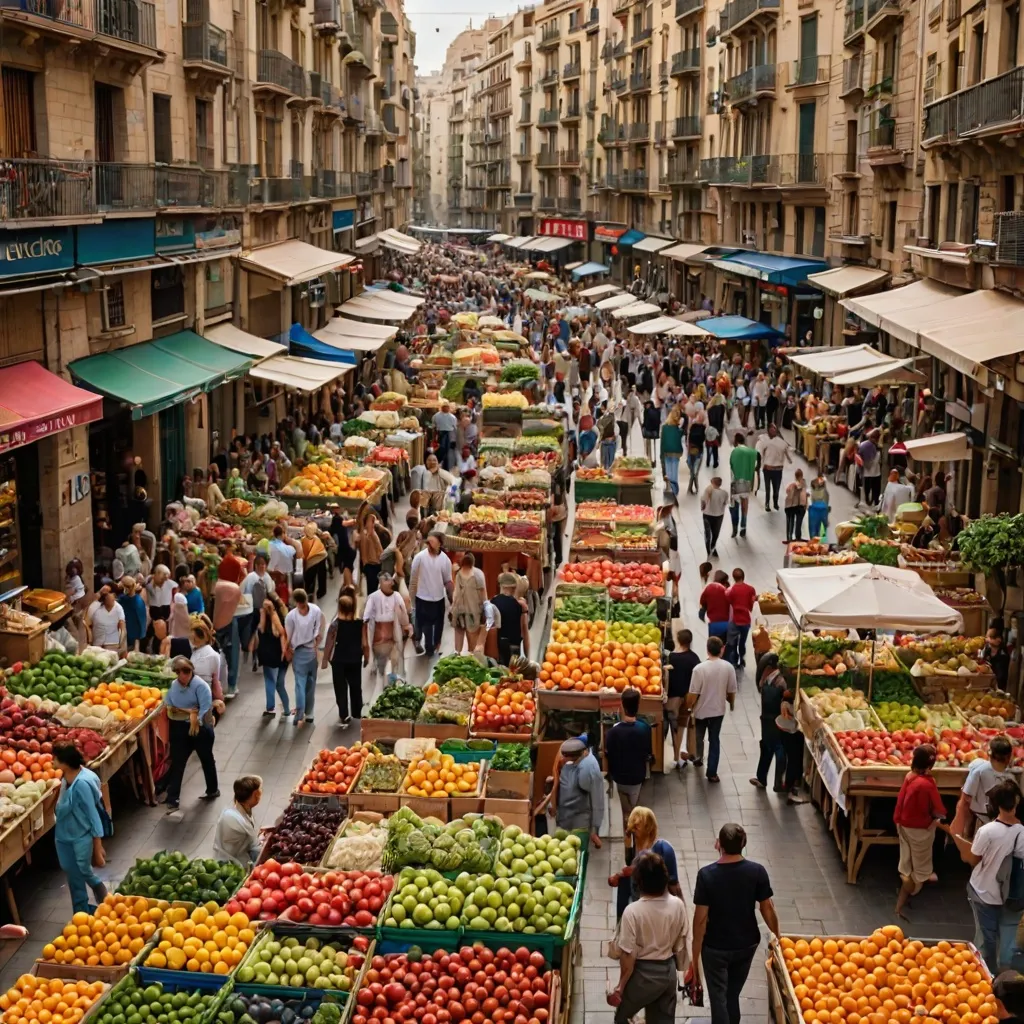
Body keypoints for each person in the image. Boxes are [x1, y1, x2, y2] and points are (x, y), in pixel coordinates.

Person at [693, 823, 780, 1024]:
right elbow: (767, 909)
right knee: (732, 995)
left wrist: (695, 955)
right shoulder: (757, 871)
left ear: (719, 844)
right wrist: (779, 938)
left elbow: (700, 921)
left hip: (715, 947)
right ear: (744, 843)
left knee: (718, 998)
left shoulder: (706, 875)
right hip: (746, 944)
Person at [608, 852, 690, 1024]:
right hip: (668, 973)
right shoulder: (678, 905)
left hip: (642, 977)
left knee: (622, 1018)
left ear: (639, 882)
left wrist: (620, 987)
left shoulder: (633, 911)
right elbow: (678, 944)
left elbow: (628, 957)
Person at [951, 780, 1024, 974]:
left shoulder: (987, 831)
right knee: (1008, 940)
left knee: (985, 940)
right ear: (1016, 803)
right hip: (1015, 896)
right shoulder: (1022, 833)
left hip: (984, 892)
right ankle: (1007, 978)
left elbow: (974, 859)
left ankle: (986, 978)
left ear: (995, 805)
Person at [52, 744, 108, 913]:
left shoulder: (82, 784)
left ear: (65, 764)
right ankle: (83, 907)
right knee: (71, 870)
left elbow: (93, 816)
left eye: (55, 759)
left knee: (82, 870)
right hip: (63, 836)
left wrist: (97, 847)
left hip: (80, 836)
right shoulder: (65, 779)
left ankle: (91, 898)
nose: (52, 761)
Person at [893, 743, 945, 920]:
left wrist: (898, 820)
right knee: (922, 867)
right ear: (930, 766)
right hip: (920, 828)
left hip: (903, 824)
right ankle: (910, 890)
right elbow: (938, 809)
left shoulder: (909, 776)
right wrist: (941, 819)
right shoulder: (928, 784)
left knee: (906, 857)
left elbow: (901, 800)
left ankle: (904, 883)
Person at [162, 656, 219, 810]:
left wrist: (193, 718)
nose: (182, 675)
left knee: (206, 758)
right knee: (178, 762)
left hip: (201, 728)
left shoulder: (200, 686)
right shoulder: (173, 686)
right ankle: (173, 799)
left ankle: (213, 789)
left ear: (192, 670)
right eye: (178, 672)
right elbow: (169, 704)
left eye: (186, 671)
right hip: (180, 727)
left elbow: (205, 708)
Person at [685, 636, 736, 783]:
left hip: (701, 711)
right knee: (714, 740)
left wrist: (689, 707)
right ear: (722, 649)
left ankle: (698, 758)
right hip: (718, 711)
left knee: (699, 736)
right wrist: (731, 704)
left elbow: (693, 694)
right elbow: (731, 691)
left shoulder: (699, 669)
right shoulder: (728, 667)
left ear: (707, 650)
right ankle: (712, 772)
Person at [605, 688, 653, 843]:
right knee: (636, 810)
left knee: (626, 812)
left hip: (620, 777)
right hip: (637, 777)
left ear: (622, 704)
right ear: (639, 704)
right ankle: (638, 841)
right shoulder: (644, 728)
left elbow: (609, 754)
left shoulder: (614, 731)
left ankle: (628, 844)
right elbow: (648, 753)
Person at [952, 735, 1015, 837]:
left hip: (983, 822)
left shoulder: (979, 770)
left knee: (976, 850)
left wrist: (958, 825)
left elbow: (965, 799)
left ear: (989, 754)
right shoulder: (1011, 778)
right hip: (989, 822)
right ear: (1009, 757)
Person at [322, 593, 365, 726]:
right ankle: (357, 711)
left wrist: (325, 660)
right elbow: (364, 642)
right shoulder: (359, 623)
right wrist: (366, 655)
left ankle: (344, 713)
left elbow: (329, 642)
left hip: (339, 660)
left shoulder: (335, 624)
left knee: (340, 687)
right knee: (356, 686)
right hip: (355, 659)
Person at [553, 737, 604, 848]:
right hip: (572, 823)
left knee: (574, 854)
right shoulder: (576, 767)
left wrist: (594, 829)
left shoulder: (578, 770)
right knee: (578, 855)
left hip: (572, 823)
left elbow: (594, 798)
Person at [285, 588, 325, 727]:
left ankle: (299, 713)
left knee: (299, 684)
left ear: (296, 601)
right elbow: (319, 631)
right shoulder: (315, 610)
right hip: (312, 651)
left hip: (299, 652)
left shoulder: (291, 616)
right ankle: (310, 713)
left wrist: (287, 651)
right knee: (311, 683)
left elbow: (288, 637)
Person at [409, 533, 453, 657]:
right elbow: (413, 580)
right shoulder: (419, 558)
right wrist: (411, 600)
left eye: (432, 542)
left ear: (440, 544)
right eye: (428, 542)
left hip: (439, 598)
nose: (429, 544)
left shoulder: (445, 560)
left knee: (439, 625)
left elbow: (447, 581)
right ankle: (428, 647)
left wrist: (452, 600)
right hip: (423, 598)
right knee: (426, 625)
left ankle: (435, 644)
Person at [362, 572, 411, 681]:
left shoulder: (397, 596)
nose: (390, 583)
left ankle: (394, 678)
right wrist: (365, 641)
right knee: (381, 665)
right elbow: (366, 618)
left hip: (393, 633)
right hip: (378, 636)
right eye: (386, 580)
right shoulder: (373, 597)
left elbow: (404, 612)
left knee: (395, 659)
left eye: (390, 580)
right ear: (380, 582)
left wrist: (406, 625)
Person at [750, 654, 787, 790]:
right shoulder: (768, 679)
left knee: (778, 748)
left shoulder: (781, 681)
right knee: (765, 747)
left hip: (776, 720)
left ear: (770, 668)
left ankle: (779, 783)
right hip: (766, 719)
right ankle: (761, 778)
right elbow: (760, 686)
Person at [212, 775, 262, 868]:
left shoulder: (237, 811)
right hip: (235, 864)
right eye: (259, 792)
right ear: (255, 795)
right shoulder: (238, 821)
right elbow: (256, 848)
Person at [253, 596, 290, 718]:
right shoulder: (282, 620)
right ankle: (286, 709)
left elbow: (259, 630)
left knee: (269, 680)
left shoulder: (262, 624)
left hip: (266, 656)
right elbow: (283, 634)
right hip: (280, 656)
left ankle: (270, 707)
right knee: (280, 684)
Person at [667, 629, 699, 770]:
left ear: (678, 640)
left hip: (673, 698)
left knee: (673, 727)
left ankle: (675, 756)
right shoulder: (694, 658)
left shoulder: (672, 657)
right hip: (687, 698)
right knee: (682, 725)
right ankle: (689, 753)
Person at [451, 552, 487, 654]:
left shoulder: (459, 574)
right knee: (473, 639)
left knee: (461, 637)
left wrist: (453, 607)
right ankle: (472, 656)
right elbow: (483, 594)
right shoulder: (478, 574)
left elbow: (456, 593)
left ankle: (457, 654)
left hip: (460, 610)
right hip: (474, 610)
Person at [212, 577, 241, 698]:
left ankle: (217, 686)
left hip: (213, 625)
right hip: (229, 622)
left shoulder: (215, 586)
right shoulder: (233, 588)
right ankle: (231, 686)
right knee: (232, 654)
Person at [492, 571, 530, 665]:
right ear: (514, 587)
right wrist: (528, 658)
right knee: (512, 676)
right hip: (513, 647)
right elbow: (525, 632)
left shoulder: (493, 602)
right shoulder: (520, 606)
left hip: (497, 646)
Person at [725, 567, 756, 668]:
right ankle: (742, 658)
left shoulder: (730, 591)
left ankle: (734, 660)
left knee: (733, 642)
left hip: (735, 620)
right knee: (742, 641)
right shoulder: (750, 589)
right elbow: (751, 601)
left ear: (733, 578)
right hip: (745, 620)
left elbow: (729, 602)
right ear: (743, 577)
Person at [756, 424, 791, 513]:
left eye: (775, 430)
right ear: (768, 431)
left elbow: (788, 455)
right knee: (767, 488)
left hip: (778, 470)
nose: (773, 432)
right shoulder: (763, 440)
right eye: (772, 430)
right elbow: (759, 452)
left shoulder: (781, 442)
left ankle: (775, 502)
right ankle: (767, 504)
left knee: (777, 488)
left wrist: (789, 459)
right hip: (767, 469)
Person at [729, 433, 757, 538]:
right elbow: (758, 460)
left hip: (736, 482)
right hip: (747, 482)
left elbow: (731, 465)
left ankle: (734, 527)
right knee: (745, 505)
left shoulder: (735, 451)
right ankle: (743, 527)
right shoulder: (751, 452)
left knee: (734, 505)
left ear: (736, 441)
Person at [88, 586, 126, 653]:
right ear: (104, 599)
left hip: (112, 644)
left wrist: (121, 644)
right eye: (107, 597)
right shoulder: (95, 607)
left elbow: (122, 627)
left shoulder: (119, 608)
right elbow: (87, 623)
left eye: (112, 599)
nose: (111, 601)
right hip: (97, 643)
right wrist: (90, 640)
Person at [699, 569, 731, 641]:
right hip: (727, 623)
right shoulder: (728, 590)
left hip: (713, 623)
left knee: (714, 645)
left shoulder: (709, 588)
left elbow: (702, 603)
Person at [701, 476, 728, 557]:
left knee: (707, 533)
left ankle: (708, 551)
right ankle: (713, 547)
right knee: (715, 533)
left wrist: (702, 507)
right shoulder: (725, 493)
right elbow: (725, 503)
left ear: (712, 483)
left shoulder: (708, 490)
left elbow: (703, 501)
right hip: (719, 515)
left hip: (707, 515)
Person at [660, 407, 684, 497]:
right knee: (674, 472)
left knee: (669, 472)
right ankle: (674, 490)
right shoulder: (678, 429)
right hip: (676, 452)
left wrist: (661, 454)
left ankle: (670, 489)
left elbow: (662, 442)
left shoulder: (664, 428)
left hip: (666, 451)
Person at [784, 469, 808, 542]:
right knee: (795, 522)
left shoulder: (794, 484)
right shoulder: (797, 484)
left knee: (790, 522)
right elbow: (798, 487)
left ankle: (790, 538)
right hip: (795, 506)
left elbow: (787, 491)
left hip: (791, 506)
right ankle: (794, 537)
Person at [808, 474, 830, 541]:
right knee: (822, 531)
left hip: (814, 511)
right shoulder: (824, 492)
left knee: (813, 530)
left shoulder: (813, 490)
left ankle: (814, 543)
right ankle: (821, 544)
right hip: (822, 510)